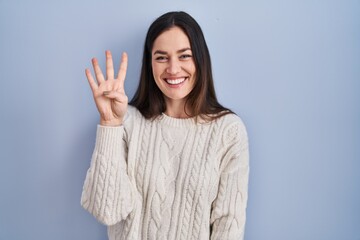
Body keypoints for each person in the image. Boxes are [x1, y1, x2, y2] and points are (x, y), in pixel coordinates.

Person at [81, 11, 249, 240]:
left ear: (201, 59)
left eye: (184, 56)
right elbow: (107, 211)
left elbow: (229, 227)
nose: (173, 69)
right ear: (149, 63)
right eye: (161, 57)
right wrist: (110, 124)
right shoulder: (127, 121)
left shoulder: (228, 131)